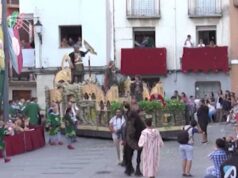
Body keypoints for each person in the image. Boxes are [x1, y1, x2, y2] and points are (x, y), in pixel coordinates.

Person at [124, 109, 145, 176]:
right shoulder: (131, 121)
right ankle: (131, 168)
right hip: (132, 139)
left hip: (133, 139)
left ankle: (132, 168)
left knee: (130, 154)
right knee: (130, 154)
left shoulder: (133, 121)